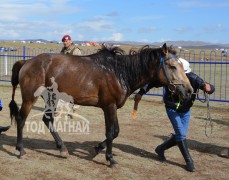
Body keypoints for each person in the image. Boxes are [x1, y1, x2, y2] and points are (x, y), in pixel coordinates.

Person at [134, 58, 215, 172]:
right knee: (181, 135)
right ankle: (189, 162)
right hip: (172, 109)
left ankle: (160, 148)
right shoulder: (170, 77)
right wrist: (141, 93)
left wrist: (209, 88)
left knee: (179, 136)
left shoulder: (192, 77)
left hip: (186, 111)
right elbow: (151, 83)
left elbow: (207, 86)